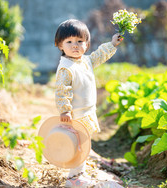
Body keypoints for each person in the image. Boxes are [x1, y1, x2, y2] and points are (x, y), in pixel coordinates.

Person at [54, 19, 123, 187]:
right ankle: (74, 178)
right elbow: (62, 91)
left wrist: (112, 44)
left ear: (87, 44)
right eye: (69, 42)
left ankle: (79, 173)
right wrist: (65, 111)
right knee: (78, 145)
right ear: (60, 45)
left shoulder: (85, 61)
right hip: (76, 114)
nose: (75, 45)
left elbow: (99, 55)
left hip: (87, 112)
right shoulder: (66, 67)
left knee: (84, 144)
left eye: (80, 41)